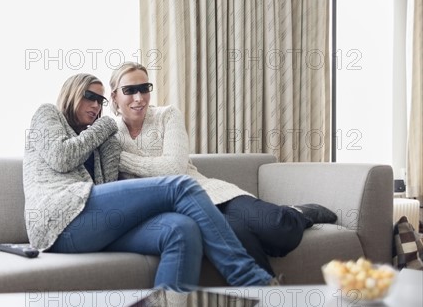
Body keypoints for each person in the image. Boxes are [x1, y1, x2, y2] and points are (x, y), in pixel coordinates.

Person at [23, 73, 275, 291]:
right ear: (72, 93)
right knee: (180, 185)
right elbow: (62, 158)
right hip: (56, 220)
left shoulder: (100, 138)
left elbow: (106, 188)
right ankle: (251, 279)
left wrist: (108, 141)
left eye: (100, 101)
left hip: (92, 226)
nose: (96, 106)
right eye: (89, 96)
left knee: (182, 229)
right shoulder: (48, 114)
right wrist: (104, 128)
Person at [109, 62, 338, 276]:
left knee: (277, 228)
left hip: (211, 192)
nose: (139, 98)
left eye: (144, 88)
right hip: (183, 210)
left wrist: (121, 159)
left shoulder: (167, 115)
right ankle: (269, 303)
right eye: (129, 90)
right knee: (240, 238)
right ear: (115, 97)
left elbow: (174, 167)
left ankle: (298, 212)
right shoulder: (110, 135)